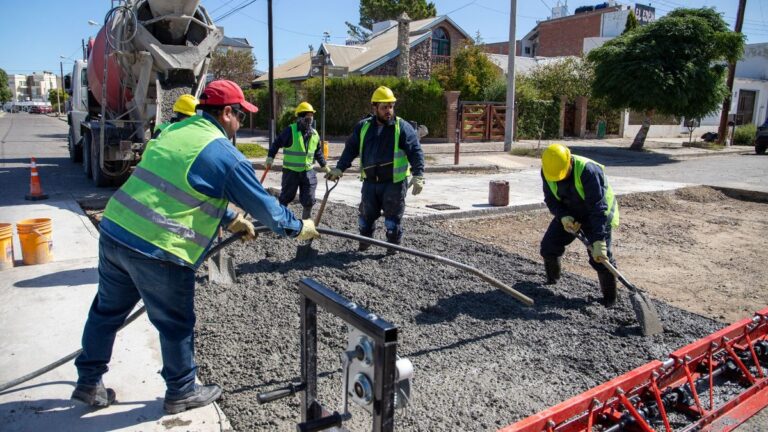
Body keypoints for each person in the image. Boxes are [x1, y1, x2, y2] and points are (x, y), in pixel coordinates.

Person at [71, 80, 320, 414]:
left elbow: (177, 185)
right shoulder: (223, 153)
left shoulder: (175, 131)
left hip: (116, 231)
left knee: (106, 312)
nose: (241, 125)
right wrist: (298, 227)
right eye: (241, 117)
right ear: (227, 113)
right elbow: (269, 210)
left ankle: (88, 383)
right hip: (159, 249)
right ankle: (182, 390)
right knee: (175, 323)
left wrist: (230, 218)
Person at [326, 86, 425, 253]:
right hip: (370, 183)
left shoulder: (402, 127)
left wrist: (418, 175)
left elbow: (415, 150)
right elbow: (351, 149)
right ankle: (364, 244)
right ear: (375, 108)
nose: (388, 111)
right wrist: (339, 168)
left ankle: (392, 250)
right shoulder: (363, 127)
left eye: (391, 106)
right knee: (365, 219)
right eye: (384, 107)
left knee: (392, 222)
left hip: (394, 183)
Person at [539, 143, 620, 306]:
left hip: (597, 216)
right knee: (548, 247)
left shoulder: (588, 171)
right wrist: (563, 216)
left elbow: (598, 208)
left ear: (570, 160)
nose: (559, 179)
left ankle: (610, 299)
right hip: (571, 214)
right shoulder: (548, 171)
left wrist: (598, 240)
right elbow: (551, 199)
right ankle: (552, 281)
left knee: (601, 258)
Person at [265, 101, 330, 219]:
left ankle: (306, 225)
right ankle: (283, 222)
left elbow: (318, 152)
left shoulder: (314, 134)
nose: (310, 119)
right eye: (307, 116)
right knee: (286, 197)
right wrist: (270, 157)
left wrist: (324, 165)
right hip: (291, 172)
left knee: (309, 199)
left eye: (311, 116)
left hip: (308, 172)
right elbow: (276, 144)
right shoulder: (290, 130)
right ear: (300, 116)